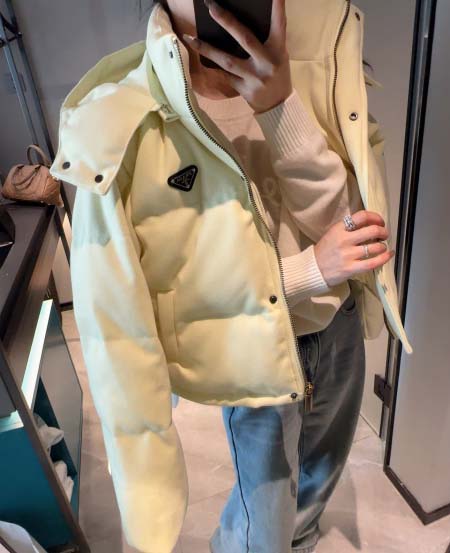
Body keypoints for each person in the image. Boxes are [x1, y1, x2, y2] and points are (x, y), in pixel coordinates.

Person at [49, 0, 413, 551]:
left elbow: (350, 226)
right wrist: (309, 270)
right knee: (262, 520)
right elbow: (162, 301)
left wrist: (280, 106)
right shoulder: (125, 117)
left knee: (317, 483)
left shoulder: (323, 60)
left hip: (337, 327)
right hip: (251, 355)